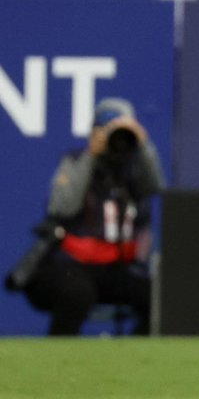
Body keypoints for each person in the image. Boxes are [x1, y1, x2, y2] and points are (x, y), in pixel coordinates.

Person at [18, 98, 164, 335]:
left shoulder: (133, 169)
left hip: (117, 267)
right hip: (69, 263)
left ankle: (135, 358)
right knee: (77, 293)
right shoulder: (75, 162)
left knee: (158, 298)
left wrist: (143, 145)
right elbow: (61, 207)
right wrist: (90, 156)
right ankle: (58, 357)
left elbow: (155, 187)